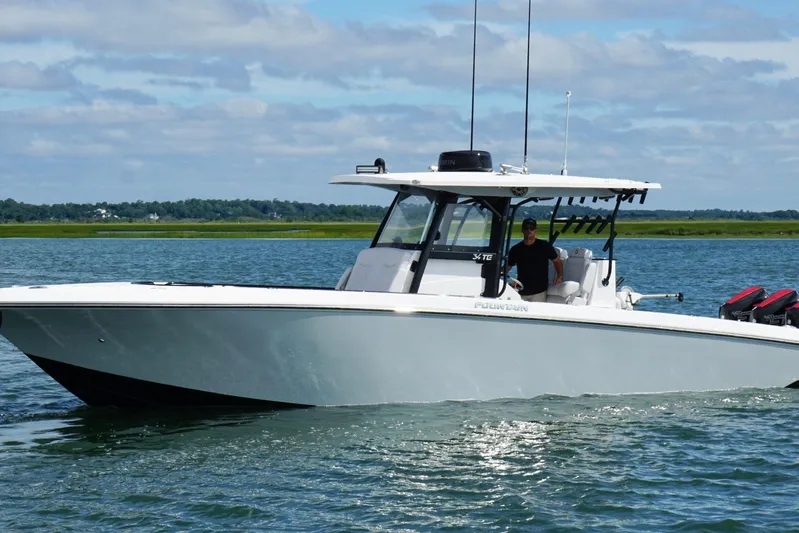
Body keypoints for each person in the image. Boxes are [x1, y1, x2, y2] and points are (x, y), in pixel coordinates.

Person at [506, 218, 563, 302]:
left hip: (539, 291)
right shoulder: (515, 249)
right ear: (522, 230)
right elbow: (507, 266)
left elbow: (557, 261)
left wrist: (559, 276)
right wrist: (498, 275)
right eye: (526, 228)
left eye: (532, 228)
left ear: (535, 230)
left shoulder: (544, 246)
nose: (529, 230)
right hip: (521, 291)